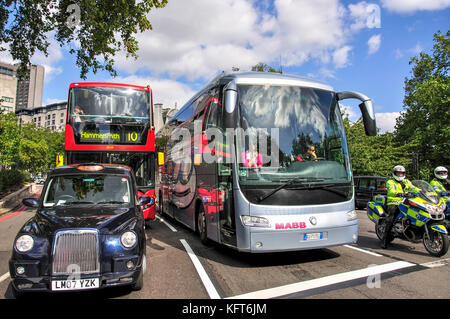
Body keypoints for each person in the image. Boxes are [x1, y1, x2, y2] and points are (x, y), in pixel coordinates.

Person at [381, 165, 421, 249]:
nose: (400, 175)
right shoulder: (390, 182)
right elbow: (391, 190)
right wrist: (398, 193)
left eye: (401, 173)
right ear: (394, 173)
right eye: (398, 173)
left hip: (405, 201)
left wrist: (421, 191)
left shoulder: (406, 181)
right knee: (391, 218)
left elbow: (413, 188)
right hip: (393, 202)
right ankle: (384, 240)